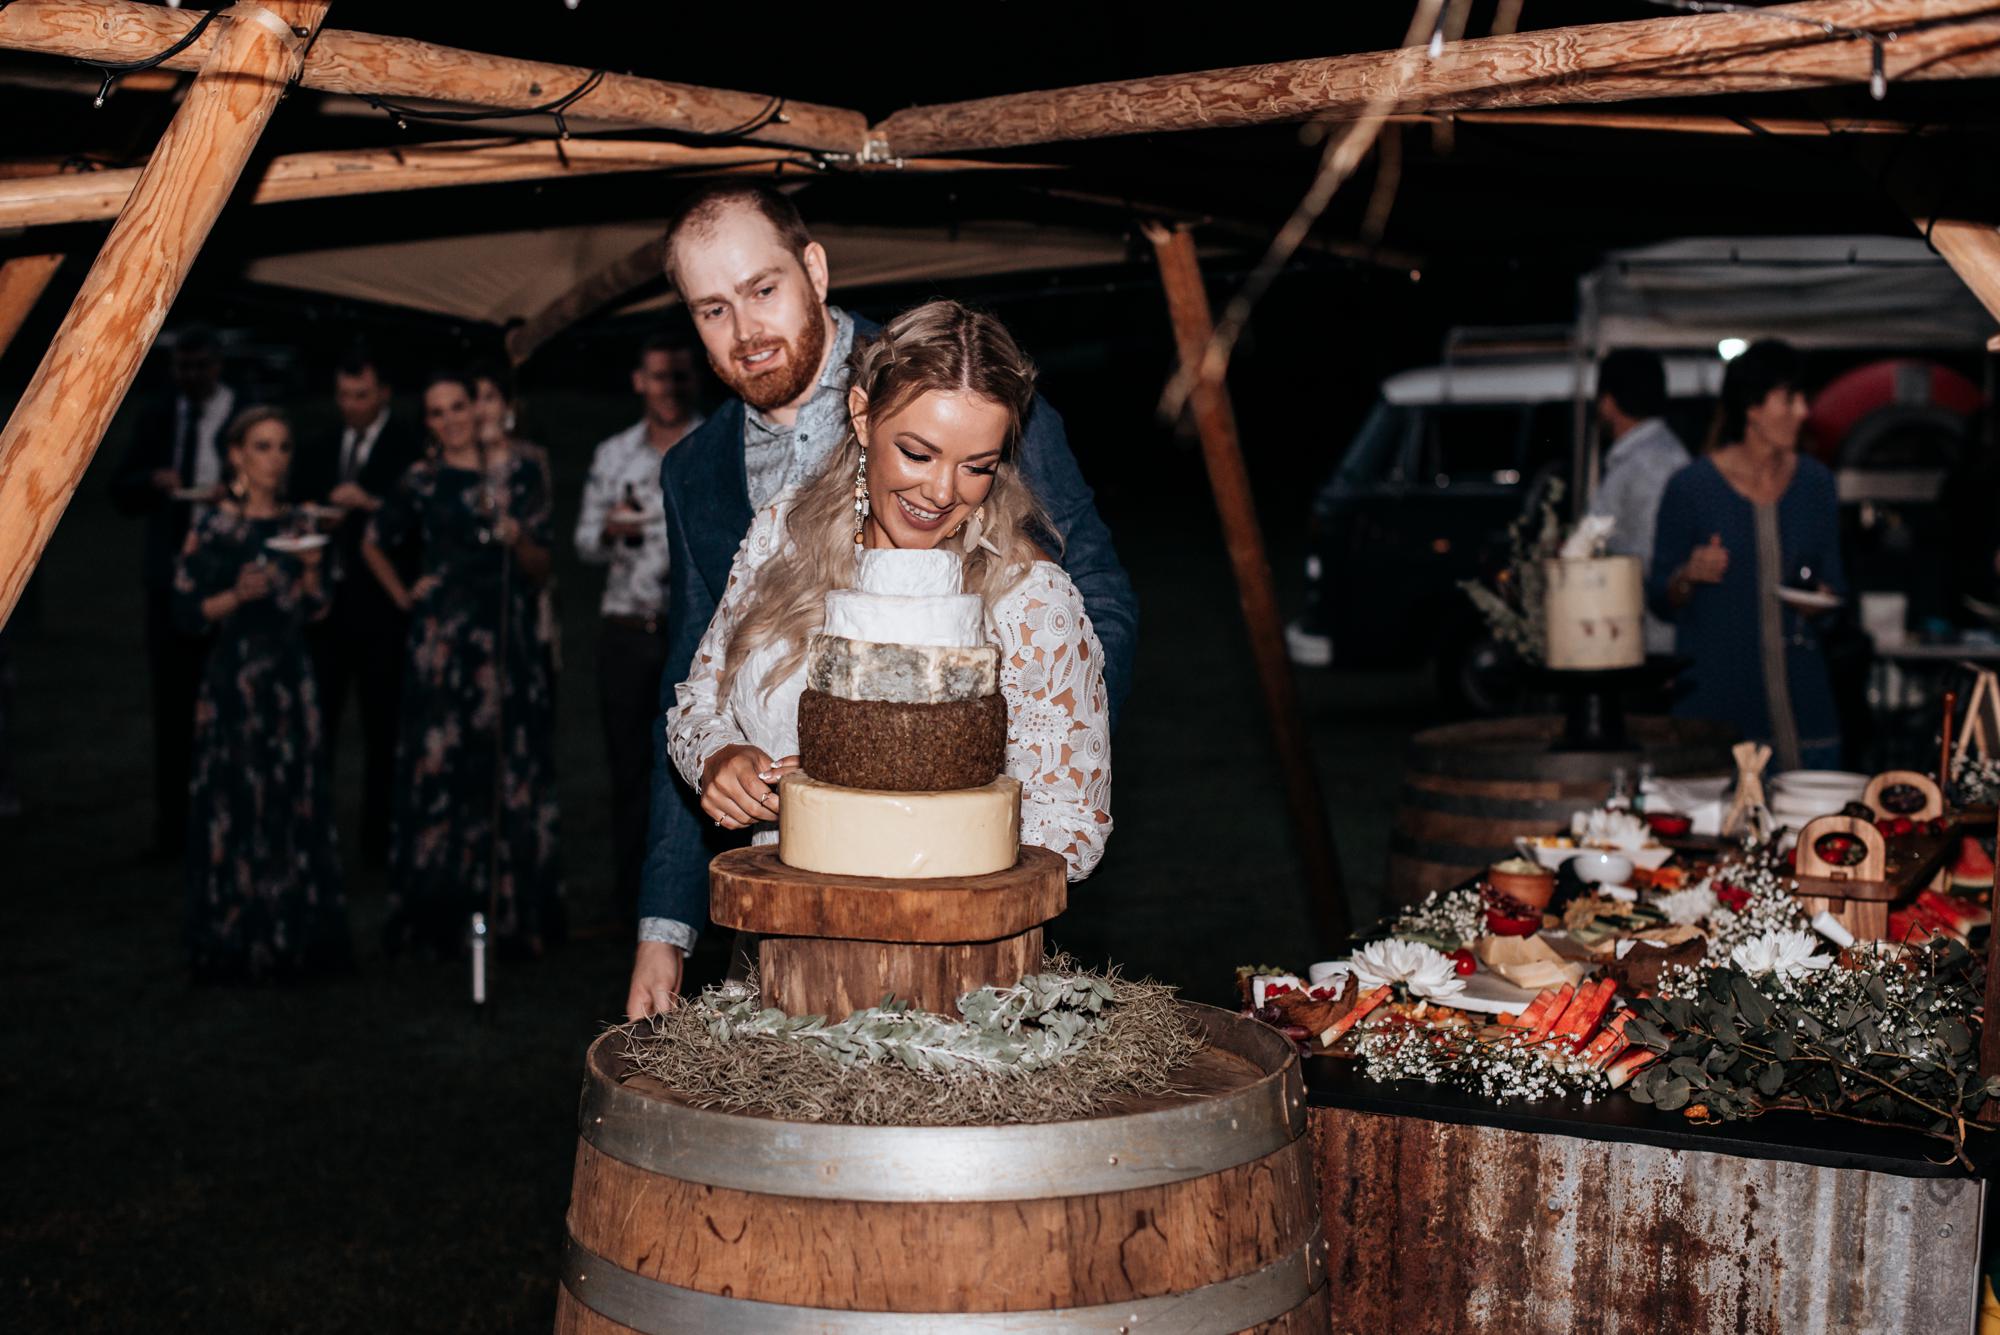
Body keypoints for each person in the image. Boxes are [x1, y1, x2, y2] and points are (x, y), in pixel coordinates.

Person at [627, 183, 1138, 1018]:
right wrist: (665, 924)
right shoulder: (711, 481)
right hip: (783, 939)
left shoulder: (959, 381)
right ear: (864, 423)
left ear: (814, 268)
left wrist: (992, 749)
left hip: (954, 949)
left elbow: (1093, 607)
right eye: (713, 309)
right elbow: (694, 685)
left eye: (763, 289)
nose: (747, 330)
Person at [666, 299, 1109, 883]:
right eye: (917, 454)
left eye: (977, 466)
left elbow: (1073, 831)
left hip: (947, 927)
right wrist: (719, 759)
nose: (942, 492)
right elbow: (698, 703)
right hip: (781, 921)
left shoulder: (1029, 600)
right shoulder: (784, 533)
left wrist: (880, 812)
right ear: (862, 416)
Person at [362, 371, 562, 958]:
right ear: (427, 422)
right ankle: (437, 916)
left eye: (459, 406)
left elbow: (543, 568)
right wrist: (404, 594)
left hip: (506, 643)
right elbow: (373, 539)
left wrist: (515, 536)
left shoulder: (520, 471)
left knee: (508, 769)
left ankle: (515, 912)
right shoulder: (422, 479)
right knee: (441, 771)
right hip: (443, 648)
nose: (451, 419)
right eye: (438, 411)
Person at [172, 407, 349, 979]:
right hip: (236, 683)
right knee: (236, 803)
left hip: (290, 683)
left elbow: (318, 610)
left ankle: (293, 933)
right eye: (263, 446)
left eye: (283, 447)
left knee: (292, 800)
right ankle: (235, 936)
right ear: (237, 455)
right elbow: (185, 611)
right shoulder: (214, 527)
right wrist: (235, 596)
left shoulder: (301, 524)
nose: (275, 459)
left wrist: (314, 570)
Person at [1649, 340, 1845, 770]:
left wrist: (1823, 600)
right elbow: (1660, 596)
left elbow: (1835, 584)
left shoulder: (1816, 484)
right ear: (1753, 408)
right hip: (1718, 710)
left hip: (1805, 706)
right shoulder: (1692, 487)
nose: (1803, 411)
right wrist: (1688, 574)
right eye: (1789, 399)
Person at [574, 333, 703, 915]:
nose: (668, 388)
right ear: (638, 382)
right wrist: (610, 529)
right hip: (627, 631)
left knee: (694, 768)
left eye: (678, 376)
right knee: (628, 768)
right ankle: (630, 901)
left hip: (693, 634)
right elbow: (583, 543)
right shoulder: (613, 454)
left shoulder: (712, 443)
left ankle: (698, 901)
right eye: (658, 376)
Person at [291, 345, 424, 870]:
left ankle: (379, 842)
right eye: (344, 395)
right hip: (326, 610)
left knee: (383, 728)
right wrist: (314, 515)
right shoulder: (320, 445)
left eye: (361, 395)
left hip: (383, 612)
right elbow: (298, 504)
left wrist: (370, 504)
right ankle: (313, 836)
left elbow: (418, 518)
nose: (350, 405)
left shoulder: (409, 446)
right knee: (317, 725)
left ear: (383, 393)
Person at [110, 325, 237, 857]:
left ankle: (227, 823)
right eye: (183, 366)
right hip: (168, 583)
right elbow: (120, 489)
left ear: (218, 365)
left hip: (227, 578)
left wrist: (233, 494)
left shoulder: (242, 414)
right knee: (171, 706)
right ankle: (173, 829)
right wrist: (150, 482)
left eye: (200, 365)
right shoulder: (160, 415)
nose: (191, 376)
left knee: (227, 704)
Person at [1587, 348, 1690, 656]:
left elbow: (1654, 560)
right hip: (1639, 635)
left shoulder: (1651, 464)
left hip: (1652, 642)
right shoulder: (1640, 457)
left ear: (1608, 402)